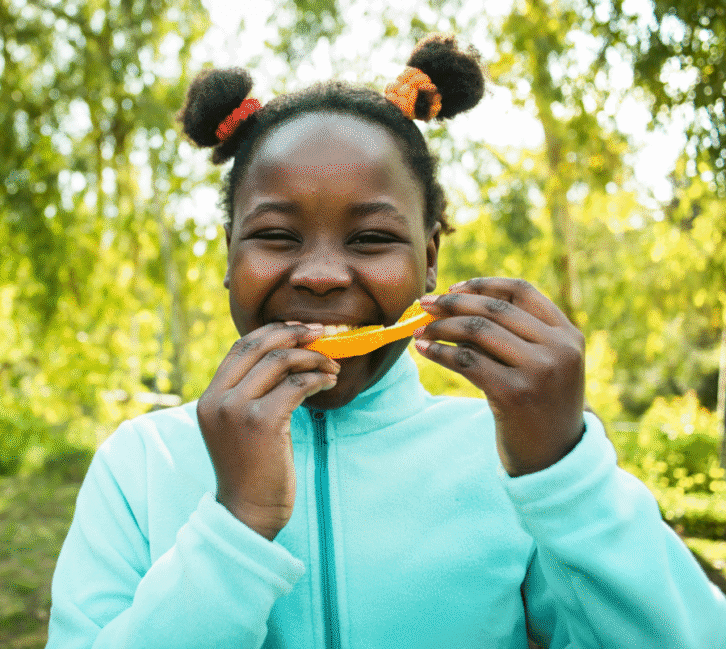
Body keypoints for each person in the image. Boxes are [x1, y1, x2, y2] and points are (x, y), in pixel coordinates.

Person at [45, 33, 726, 648]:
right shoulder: (140, 464)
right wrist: (236, 524)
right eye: (276, 235)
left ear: (429, 259)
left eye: (371, 238)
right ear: (229, 256)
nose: (318, 275)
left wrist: (564, 474)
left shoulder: (508, 461)